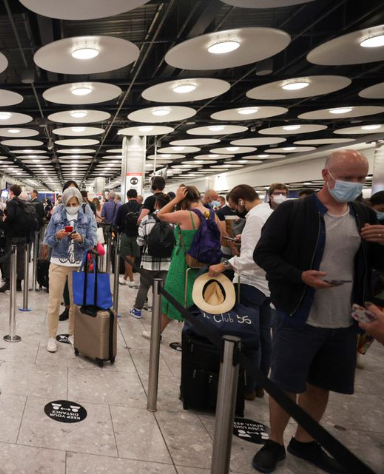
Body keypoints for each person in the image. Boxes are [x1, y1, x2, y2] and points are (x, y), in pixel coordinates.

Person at [252, 150, 384, 474]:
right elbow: (264, 254)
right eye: (348, 177)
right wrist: (300, 275)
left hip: (345, 318)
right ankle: (274, 440)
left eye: (361, 179)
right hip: (298, 313)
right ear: (327, 176)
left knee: (320, 384)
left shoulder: (364, 214)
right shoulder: (293, 213)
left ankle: (305, 440)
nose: (355, 184)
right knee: (284, 381)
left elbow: (376, 267)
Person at [208, 185, 273, 400]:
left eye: (235, 204)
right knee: (264, 335)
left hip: (250, 282)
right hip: (266, 284)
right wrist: (243, 241)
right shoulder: (268, 212)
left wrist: (225, 264)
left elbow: (253, 258)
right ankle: (260, 383)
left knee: (249, 336)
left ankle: (248, 386)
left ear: (242, 201)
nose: (235, 209)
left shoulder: (254, 218)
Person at [158, 186, 223, 333]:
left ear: (184, 199)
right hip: (205, 262)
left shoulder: (186, 214)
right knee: (197, 298)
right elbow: (220, 236)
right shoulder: (211, 213)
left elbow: (161, 215)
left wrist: (176, 198)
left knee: (173, 297)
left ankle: (157, 332)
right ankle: (191, 334)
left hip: (183, 261)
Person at [43, 187, 97, 352]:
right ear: (64, 203)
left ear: (80, 203)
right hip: (58, 263)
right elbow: (48, 240)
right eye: (69, 203)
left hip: (78, 264)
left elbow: (92, 242)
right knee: (53, 302)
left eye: (75, 203)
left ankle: (72, 334)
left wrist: (81, 239)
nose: (72, 206)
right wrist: (58, 236)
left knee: (75, 303)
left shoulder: (87, 217)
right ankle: (52, 337)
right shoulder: (57, 216)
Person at [131, 193, 171, 319]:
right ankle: (159, 310)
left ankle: (137, 310)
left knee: (144, 285)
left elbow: (140, 241)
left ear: (155, 204)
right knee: (161, 289)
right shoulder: (172, 219)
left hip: (149, 260)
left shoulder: (146, 219)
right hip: (166, 261)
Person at [0, 184, 33, 293]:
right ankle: (18, 283)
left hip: (12, 235)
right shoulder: (22, 203)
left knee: (8, 259)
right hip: (22, 235)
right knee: (21, 260)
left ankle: (8, 282)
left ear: (11, 192)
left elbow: (11, 216)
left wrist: (5, 221)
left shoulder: (12, 202)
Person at [116, 188, 142, 287]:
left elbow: (117, 222)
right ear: (136, 196)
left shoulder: (123, 207)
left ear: (127, 197)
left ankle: (131, 280)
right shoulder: (141, 207)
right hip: (138, 235)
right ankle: (124, 278)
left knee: (127, 259)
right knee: (132, 258)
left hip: (125, 234)